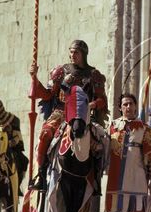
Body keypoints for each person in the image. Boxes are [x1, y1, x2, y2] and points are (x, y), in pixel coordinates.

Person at [29, 39, 109, 190]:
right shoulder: (61, 72)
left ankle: (97, 177)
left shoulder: (94, 75)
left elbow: (102, 100)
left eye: (76, 52)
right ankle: (41, 174)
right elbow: (47, 95)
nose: (73, 55)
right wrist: (34, 77)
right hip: (61, 112)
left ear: (84, 54)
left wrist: (92, 104)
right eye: (71, 52)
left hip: (83, 113)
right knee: (45, 134)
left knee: (101, 141)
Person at [105, 93, 151, 212]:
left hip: (137, 172)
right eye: (125, 104)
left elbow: (149, 149)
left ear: (135, 106)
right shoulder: (112, 126)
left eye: (131, 104)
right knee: (117, 210)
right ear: (120, 107)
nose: (128, 107)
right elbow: (105, 148)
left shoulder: (144, 127)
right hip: (117, 172)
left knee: (138, 210)